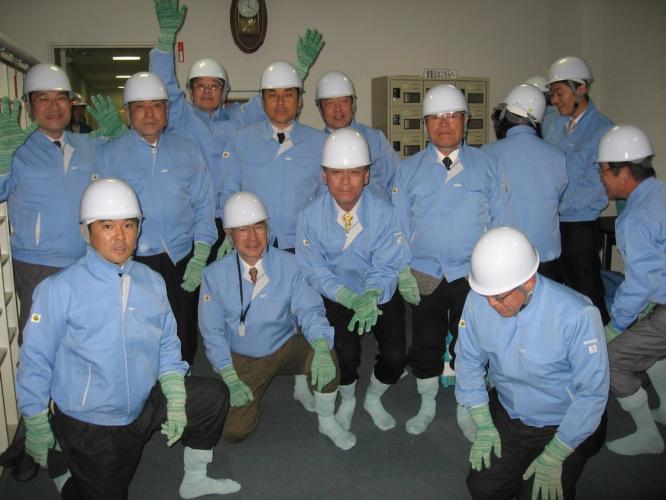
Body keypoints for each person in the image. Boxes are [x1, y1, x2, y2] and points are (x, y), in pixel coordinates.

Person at [16, 178, 239, 499]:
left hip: (143, 401)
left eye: (129, 225)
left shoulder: (152, 281)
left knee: (212, 396)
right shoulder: (58, 289)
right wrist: (35, 421)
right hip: (92, 422)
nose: (120, 237)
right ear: (87, 230)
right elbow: (35, 360)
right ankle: (62, 468)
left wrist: (176, 398)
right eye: (107, 226)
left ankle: (195, 478)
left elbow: (167, 343)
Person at [150, 0, 324, 259]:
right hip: (193, 221)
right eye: (200, 86)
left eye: (214, 86)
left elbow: (273, 100)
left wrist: (298, 69)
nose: (207, 91)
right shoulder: (180, 116)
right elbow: (163, 85)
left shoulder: (238, 118)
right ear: (190, 91)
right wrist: (165, 43)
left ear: (225, 91)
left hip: (235, 220)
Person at [456, 226, 609, 500]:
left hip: (562, 423)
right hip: (510, 414)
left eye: (499, 296)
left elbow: (592, 393)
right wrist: (482, 420)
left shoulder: (578, 314)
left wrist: (557, 452)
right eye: (485, 294)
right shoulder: (479, 299)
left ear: (528, 282)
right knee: (483, 489)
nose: (490, 304)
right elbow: (468, 360)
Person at [391, 83, 508, 435]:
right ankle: (426, 403)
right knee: (424, 342)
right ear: (425, 124)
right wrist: (401, 270)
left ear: (466, 120)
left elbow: (501, 222)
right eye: (435, 117)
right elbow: (398, 227)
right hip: (424, 273)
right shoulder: (407, 170)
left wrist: (497, 272)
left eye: (452, 116)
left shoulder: (488, 165)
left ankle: (465, 406)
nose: (444, 124)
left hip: (472, 274)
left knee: (468, 344)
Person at [199, 192, 356, 451]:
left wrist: (319, 345)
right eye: (242, 229)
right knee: (234, 431)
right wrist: (228, 375)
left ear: (267, 228)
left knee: (326, 351)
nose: (252, 237)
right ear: (228, 234)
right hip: (244, 356)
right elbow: (212, 333)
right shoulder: (213, 275)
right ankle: (255, 387)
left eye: (258, 227)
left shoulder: (290, 264)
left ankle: (326, 420)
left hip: (286, 344)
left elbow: (310, 309)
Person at [296, 128, 417, 432]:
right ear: (324, 175)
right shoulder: (309, 217)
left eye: (354, 172)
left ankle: (373, 397)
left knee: (396, 356)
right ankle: (348, 398)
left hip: (378, 290)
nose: (346, 181)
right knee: (345, 355)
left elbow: (388, 264)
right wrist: (348, 297)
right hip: (338, 293)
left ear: (366, 175)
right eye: (337, 172)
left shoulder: (385, 214)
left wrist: (372, 294)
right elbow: (314, 270)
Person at [99, 71, 216, 365]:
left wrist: (201, 251)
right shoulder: (110, 154)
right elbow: (98, 215)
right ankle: (145, 389)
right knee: (139, 334)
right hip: (133, 260)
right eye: (140, 107)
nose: (149, 114)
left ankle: (183, 382)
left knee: (183, 333)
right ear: (127, 112)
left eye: (156, 106)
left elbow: (204, 204)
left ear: (167, 110)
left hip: (181, 258)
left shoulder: (187, 150)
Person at [0, 64, 124, 339]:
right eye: (42, 99)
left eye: (60, 98)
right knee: (40, 339)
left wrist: (120, 134)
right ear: (28, 106)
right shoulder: (16, 148)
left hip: (88, 260)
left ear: (70, 103)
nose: (53, 107)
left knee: (86, 337)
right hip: (38, 265)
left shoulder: (88, 145)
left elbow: (120, 175)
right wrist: (2, 159)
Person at [596, 125, 666, 455]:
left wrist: (615, 327)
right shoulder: (661, 192)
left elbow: (640, 283)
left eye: (603, 171)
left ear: (622, 171)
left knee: (611, 360)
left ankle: (648, 436)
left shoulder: (635, 217)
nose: (601, 179)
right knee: (646, 345)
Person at [223, 61, 327, 254]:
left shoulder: (320, 143)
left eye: (288, 95)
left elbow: (326, 197)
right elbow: (229, 192)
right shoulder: (241, 139)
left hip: (303, 245)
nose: (280, 103)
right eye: (272, 95)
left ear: (300, 100)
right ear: (262, 101)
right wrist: (230, 232)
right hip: (252, 245)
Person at [543, 56, 614, 323]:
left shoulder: (603, 130)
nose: (555, 100)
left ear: (581, 89)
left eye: (559, 93)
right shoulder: (553, 123)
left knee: (586, 292)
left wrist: (556, 205)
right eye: (552, 94)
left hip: (580, 227)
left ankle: (601, 339)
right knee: (555, 292)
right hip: (552, 224)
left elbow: (597, 185)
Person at [482, 84, 567, 281]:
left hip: (503, 258)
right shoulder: (558, 156)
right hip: (546, 259)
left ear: (506, 115)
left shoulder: (487, 153)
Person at [314, 71, 398, 198]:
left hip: (375, 210)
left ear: (353, 104)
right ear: (320, 108)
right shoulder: (313, 145)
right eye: (330, 103)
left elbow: (397, 180)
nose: (338, 109)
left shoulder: (375, 139)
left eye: (343, 101)